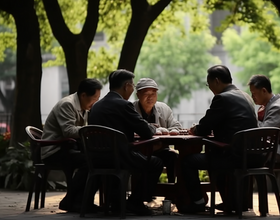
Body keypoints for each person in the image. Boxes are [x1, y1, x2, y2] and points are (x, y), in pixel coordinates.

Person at [181, 65, 258, 213]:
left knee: (187, 162)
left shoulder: (222, 98)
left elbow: (204, 127)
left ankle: (198, 202)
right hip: (254, 156)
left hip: (234, 156)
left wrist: (194, 129)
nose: (209, 88)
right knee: (215, 154)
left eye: (208, 84)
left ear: (216, 81)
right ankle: (232, 202)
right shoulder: (245, 96)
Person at [88, 69, 163, 216]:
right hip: (118, 158)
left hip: (96, 159)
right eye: (133, 85)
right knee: (155, 163)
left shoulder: (97, 106)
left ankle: (116, 203)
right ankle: (135, 203)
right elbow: (146, 131)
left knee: (134, 157)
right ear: (127, 86)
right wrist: (153, 128)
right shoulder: (123, 105)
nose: (132, 88)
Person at [41, 78, 103, 212]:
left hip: (68, 148)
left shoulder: (84, 107)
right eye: (94, 98)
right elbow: (68, 131)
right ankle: (71, 202)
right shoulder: (67, 104)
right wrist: (92, 130)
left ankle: (82, 201)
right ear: (83, 95)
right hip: (54, 150)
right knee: (91, 162)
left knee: (100, 160)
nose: (96, 102)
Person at [133, 78, 180, 184]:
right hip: (139, 152)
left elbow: (175, 125)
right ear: (138, 95)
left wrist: (172, 130)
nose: (150, 97)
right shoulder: (131, 109)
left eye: (153, 93)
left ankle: (172, 191)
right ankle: (144, 192)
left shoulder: (164, 108)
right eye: (146, 93)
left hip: (160, 150)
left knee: (173, 157)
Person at [248, 74, 280, 166]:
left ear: (264, 90)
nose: (252, 97)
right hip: (273, 147)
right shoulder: (270, 106)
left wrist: (252, 118)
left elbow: (262, 131)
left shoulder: (278, 107)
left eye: (254, 93)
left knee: (242, 156)